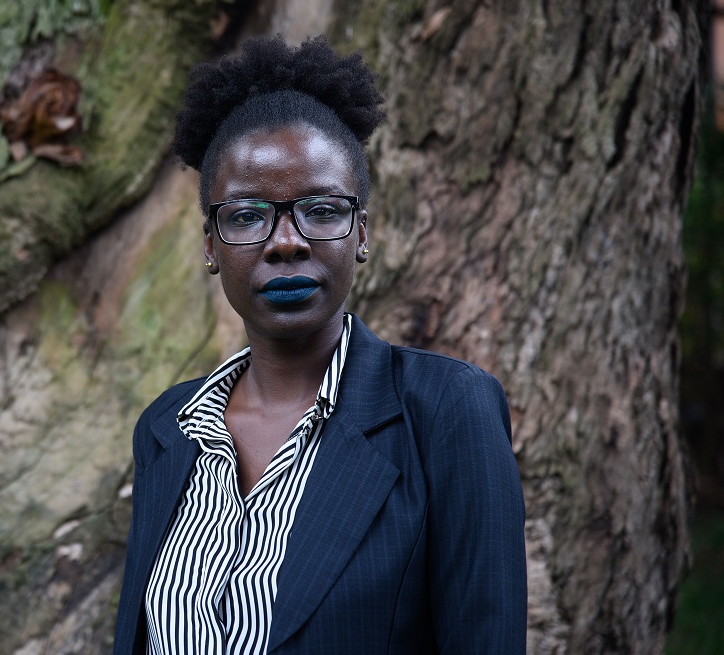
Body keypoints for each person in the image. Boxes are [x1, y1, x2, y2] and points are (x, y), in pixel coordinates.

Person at [114, 35, 526, 654]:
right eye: (248, 215)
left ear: (360, 232)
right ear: (210, 244)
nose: (286, 243)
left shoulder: (445, 412)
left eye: (321, 209)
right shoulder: (166, 429)